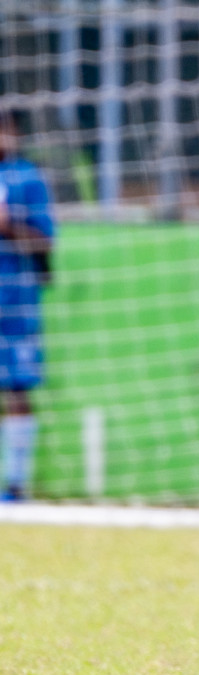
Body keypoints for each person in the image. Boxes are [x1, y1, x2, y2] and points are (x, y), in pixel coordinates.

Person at [0, 111, 54, 501]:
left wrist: (8, 225)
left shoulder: (27, 178)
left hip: (15, 301)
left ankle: (16, 485)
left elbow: (45, 242)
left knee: (17, 390)